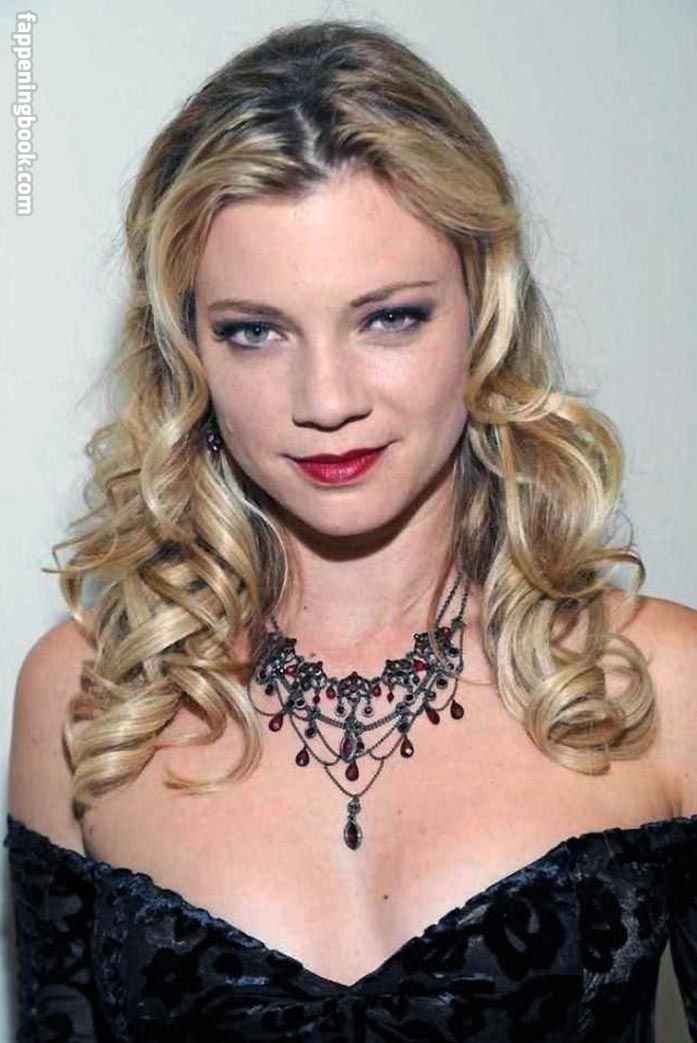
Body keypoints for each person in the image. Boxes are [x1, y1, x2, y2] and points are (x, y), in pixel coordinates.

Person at [4, 17, 696, 1043]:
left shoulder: (664, 684)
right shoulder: (87, 697)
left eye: (389, 317)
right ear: (188, 348)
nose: (325, 399)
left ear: (484, 310)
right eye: (254, 331)